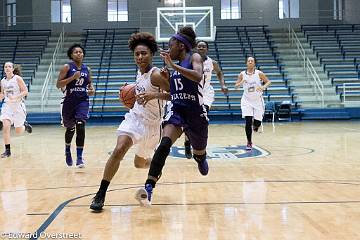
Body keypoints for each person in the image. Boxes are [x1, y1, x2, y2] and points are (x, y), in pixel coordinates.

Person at [89, 32, 170, 211]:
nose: (140, 57)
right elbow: (140, 92)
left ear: (151, 54)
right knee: (119, 149)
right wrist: (129, 93)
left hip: (152, 127)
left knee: (138, 164)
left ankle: (155, 166)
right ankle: (101, 193)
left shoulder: (156, 75)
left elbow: (175, 95)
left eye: (144, 53)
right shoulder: (139, 73)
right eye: (137, 54)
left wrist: (153, 94)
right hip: (135, 119)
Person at [135, 26, 209, 207]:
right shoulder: (173, 70)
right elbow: (173, 95)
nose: (168, 49)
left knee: (199, 155)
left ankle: (200, 157)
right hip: (177, 111)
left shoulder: (194, 57)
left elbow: (198, 76)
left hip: (196, 113)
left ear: (181, 46)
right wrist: (155, 95)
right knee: (164, 144)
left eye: (171, 45)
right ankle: (148, 188)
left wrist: (173, 66)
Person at [184, 40, 228, 159]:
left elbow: (219, 73)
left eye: (203, 46)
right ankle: (187, 142)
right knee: (189, 120)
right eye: (199, 46)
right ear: (196, 49)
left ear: (207, 49)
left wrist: (223, 84)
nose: (201, 48)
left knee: (202, 119)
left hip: (206, 93)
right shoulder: (190, 61)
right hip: (192, 92)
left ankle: (200, 148)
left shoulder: (212, 62)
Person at [56, 44, 95, 167]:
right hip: (69, 101)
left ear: (83, 54)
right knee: (70, 128)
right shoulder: (67, 67)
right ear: (71, 55)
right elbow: (58, 84)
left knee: (80, 125)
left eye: (80, 52)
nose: (78, 53)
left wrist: (91, 90)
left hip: (82, 101)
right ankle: (67, 150)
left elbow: (90, 85)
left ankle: (79, 158)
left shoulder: (87, 69)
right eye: (76, 52)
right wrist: (72, 77)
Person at [235, 56, 271, 151]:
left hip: (258, 100)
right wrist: (242, 82)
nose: (250, 62)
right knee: (248, 121)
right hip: (246, 100)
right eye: (248, 61)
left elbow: (268, 82)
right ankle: (249, 142)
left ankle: (256, 126)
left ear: (254, 63)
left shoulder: (259, 73)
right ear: (246, 63)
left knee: (257, 123)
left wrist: (263, 87)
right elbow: (236, 86)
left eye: (252, 61)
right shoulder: (242, 74)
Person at [0, 62, 32, 158]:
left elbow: (25, 91)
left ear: (13, 69)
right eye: (5, 67)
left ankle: (25, 126)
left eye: (9, 66)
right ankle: (7, 151)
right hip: (7, 106)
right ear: (4, 69)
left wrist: (15, 97)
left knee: (18, 130)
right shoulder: (2, 81)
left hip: (18, 106)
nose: (7, 68)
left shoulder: (17, 78)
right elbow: (2, 94)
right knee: (6, 127)